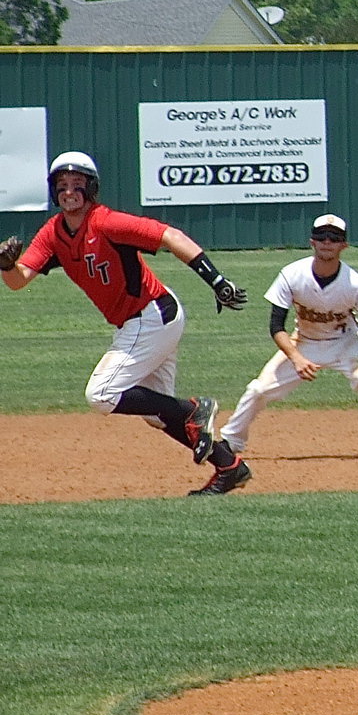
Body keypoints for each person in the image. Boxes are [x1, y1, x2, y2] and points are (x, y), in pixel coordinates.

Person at [0, 150, 252, 496]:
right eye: (62, 185)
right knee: (156, 413)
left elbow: (169, 236)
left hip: (151, 316)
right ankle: (229, 467)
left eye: (77, 184)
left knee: (101, 394)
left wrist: (216, 280)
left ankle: (194, 409)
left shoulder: (106, 222)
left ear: (92, 189)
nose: (69, 191)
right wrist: (6, 266)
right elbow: (18, 280)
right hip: (143, 321)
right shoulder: (54, 232)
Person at [218, 213, 358, 460]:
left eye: (334, 238)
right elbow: (276, 326)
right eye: (321, 236)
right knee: (258, 389)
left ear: (344, 245)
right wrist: (296, 357)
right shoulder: (291, 275)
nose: (327, 241)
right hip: (303, 342)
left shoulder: (354, 283)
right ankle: (230, 441)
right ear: (312, 241)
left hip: (346, 343)